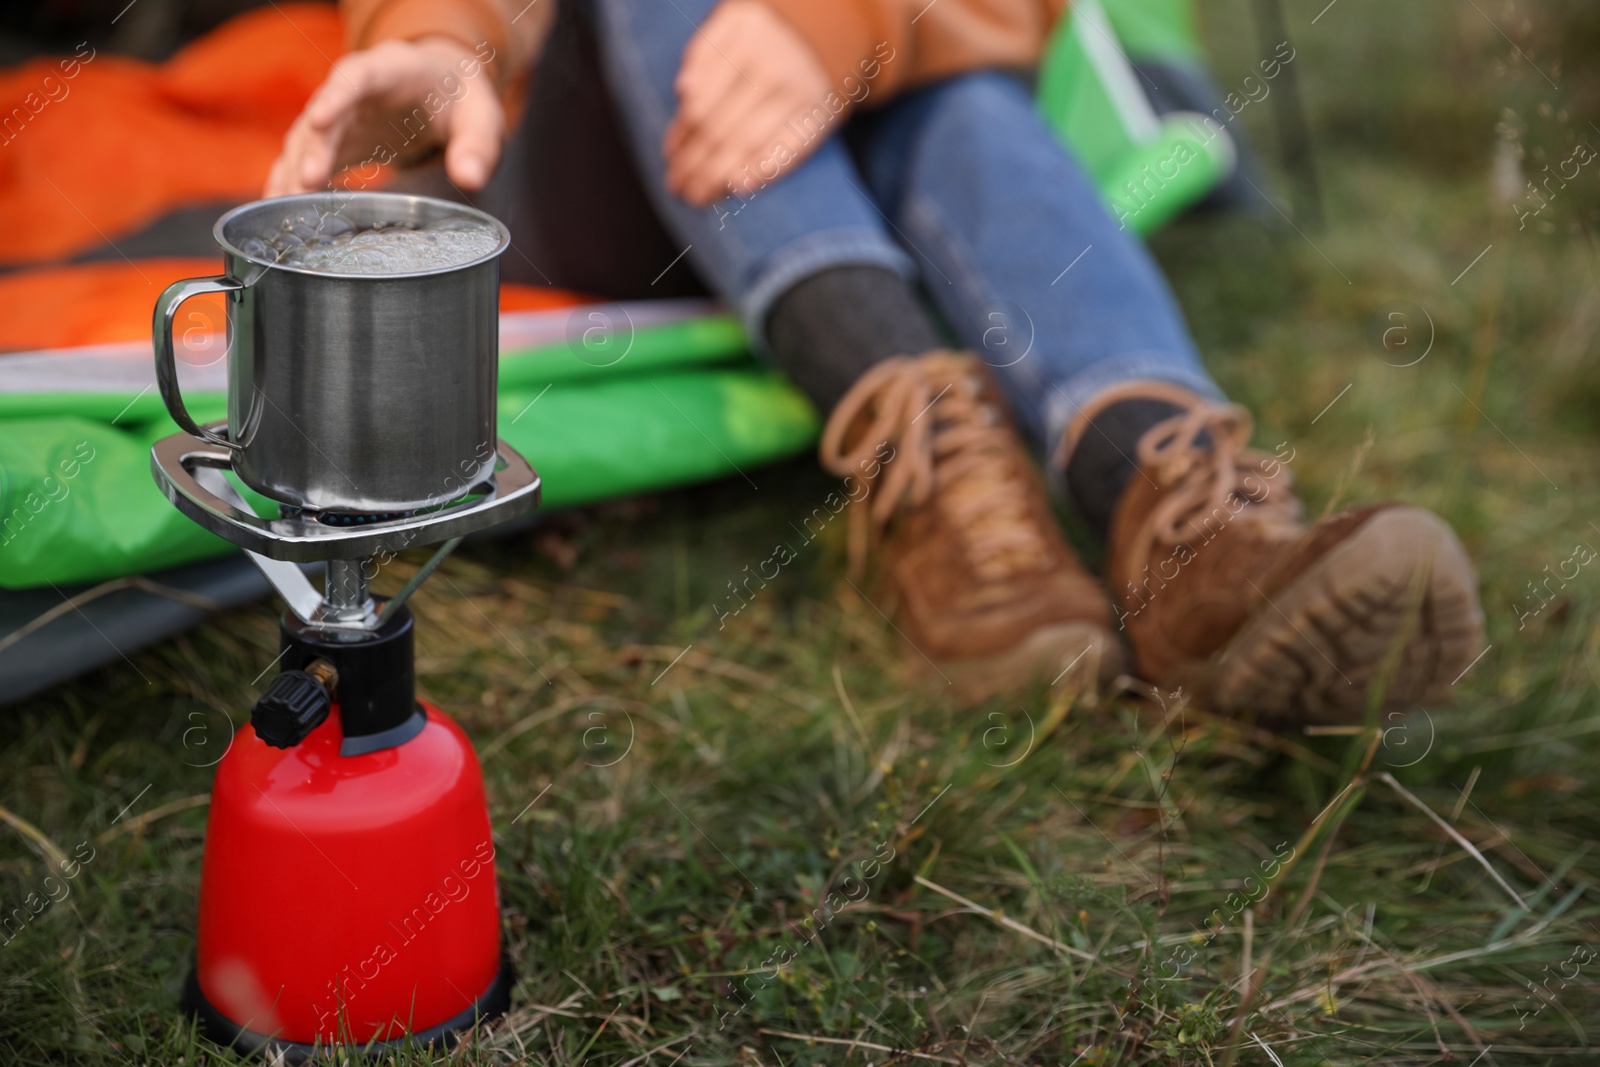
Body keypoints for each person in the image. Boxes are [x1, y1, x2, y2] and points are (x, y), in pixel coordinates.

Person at [266, 0, 1484, 720]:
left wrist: (831, 30)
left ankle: (1178, 513)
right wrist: (440, 42)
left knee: (956, 84)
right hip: (617, 173)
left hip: (868, 107)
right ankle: (922, 440)